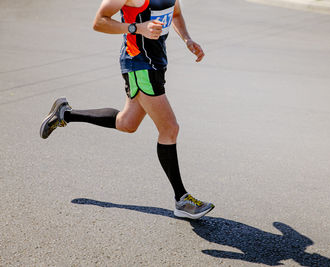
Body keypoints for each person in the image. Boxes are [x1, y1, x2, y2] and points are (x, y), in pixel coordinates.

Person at [39, 0, 214, 220]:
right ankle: (182, 200)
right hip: (139, 65)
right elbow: (99, 22)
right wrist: (136, 27)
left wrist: (187, 39)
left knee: (127, 123)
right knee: (169, 128)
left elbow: (176, 13)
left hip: (156, 64)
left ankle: (65, 114)